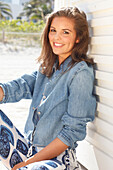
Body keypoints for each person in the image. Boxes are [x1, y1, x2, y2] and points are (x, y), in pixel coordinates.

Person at [0, 7, 96, 170]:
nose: (56, 37)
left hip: (56, 160)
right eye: (53, 30)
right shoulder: (48, 67)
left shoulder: (80, 73)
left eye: (65, 32)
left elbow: (70, 134)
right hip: (29, 152)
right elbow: (19, 87)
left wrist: (27, 164)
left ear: (78, 38)